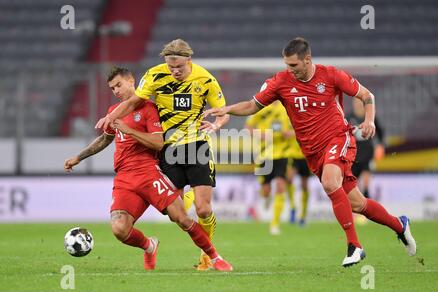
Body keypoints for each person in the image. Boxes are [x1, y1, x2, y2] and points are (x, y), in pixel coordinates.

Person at [203, 37, 416, 267]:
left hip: (338, 138)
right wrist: (227, 109)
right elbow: (252, 105)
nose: (289, 70)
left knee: (329, 182)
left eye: (293, 65)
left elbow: (367, 95)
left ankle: (355, 246)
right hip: (312, 151)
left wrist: (370, 120)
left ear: (307, 59)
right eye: (286, 64)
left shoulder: (332, 75)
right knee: (357, 203)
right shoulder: (281, 81)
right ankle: (399, 224)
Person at [65, 67, 232, 272]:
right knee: (119, 229)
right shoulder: (113, 112)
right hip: (124, 178)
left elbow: (158, 143)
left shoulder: (149, 108)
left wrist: (129, 130)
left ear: (131, 81)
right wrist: (79, 157)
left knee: (182, 218)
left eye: (119, 85)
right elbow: (106, 138)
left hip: (149, 173)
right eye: (112, 88)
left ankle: (215, 258)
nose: (116, 91)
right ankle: (149, 246)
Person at [245, 100, 295, 235]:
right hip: (264, 155)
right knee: (266, 191)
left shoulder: (286, 109)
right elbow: (247, 128)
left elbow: (296, 129)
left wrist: (289, 133)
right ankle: (267, 199)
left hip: (282, 154)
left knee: (280, 186)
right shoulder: (260, 109)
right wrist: (259, 134)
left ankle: (275, 224)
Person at [347, 97, 385, 199]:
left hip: (367, 154)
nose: (357, 104)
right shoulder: (348, 117)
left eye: (359, 102)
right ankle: (358, 204)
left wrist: (380, 145)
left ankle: (367, 196)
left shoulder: (370, 117)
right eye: (356, 102)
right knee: (354, 184)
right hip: (353, 156)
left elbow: (380, 132)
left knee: (366, 179)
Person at [287, 131, 311, 226]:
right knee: (289, 179)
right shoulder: (286, 118)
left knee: (304, 185)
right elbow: (283, 132)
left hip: (305, 156)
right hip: (293, 155)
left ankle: (303, 215)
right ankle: (293, 207)